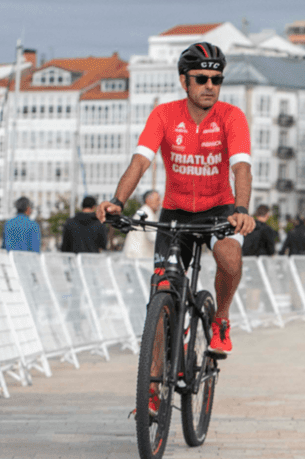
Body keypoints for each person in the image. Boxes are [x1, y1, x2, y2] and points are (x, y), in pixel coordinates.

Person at [96, 42, 255, 355]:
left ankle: (220, 318)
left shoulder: (231, 117)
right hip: (176, 213)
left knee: (230, 259)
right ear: (184, 81)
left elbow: (242, 168)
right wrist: (117, 200)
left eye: (217, 80)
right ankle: (153, 395)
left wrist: (242, 210)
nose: (210, 86)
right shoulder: (164, 115)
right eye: (201, 79)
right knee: (161, 292)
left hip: (220, 210)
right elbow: (140, 162)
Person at [122, 190, 162, 259]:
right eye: (157, 200)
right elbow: (152, 235)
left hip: (138, 256)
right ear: (148, 200)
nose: (159, 203)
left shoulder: (146, 212)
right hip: (137, 256)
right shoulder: (145, 212)